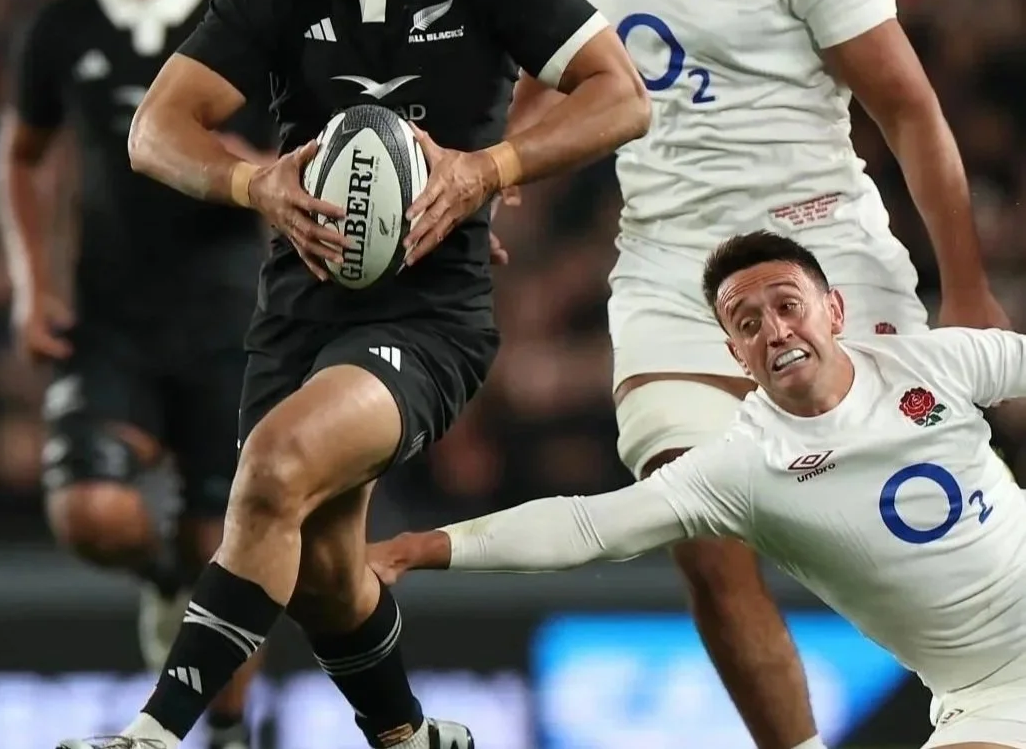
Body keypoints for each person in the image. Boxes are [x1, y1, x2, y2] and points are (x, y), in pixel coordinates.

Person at [56, 0, 649, 749]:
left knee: (275, 469)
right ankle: (410, 737)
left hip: (428, 318)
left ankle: (155, 732)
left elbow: (618, 93)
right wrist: (253, 181)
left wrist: (483, 169)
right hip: (297, 315)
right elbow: (156, 129)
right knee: (327, 571)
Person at [503, 0, 1011, 748]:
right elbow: (536, 111)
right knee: (702, 529)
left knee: (939, 516)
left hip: (820, 262)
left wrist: (963, 284)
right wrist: (482, 186)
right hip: (668, 277)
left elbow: (910, 112)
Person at [371, 230, 1026, 749]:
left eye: (787, 304)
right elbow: (586, 527)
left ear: (832, 310)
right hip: (991, 696)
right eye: (747, 322)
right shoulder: (740, 469)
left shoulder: (932, 361)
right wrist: (412, 548)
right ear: (735, 354)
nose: (774, 330)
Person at [0, 0, 273, 749]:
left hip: (236, 320)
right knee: (92, 512)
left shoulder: (255, 9)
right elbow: (22, 151)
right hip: (110, 317)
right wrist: (33, 284)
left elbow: (318, 138)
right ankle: (161, 580)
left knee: (226, 548)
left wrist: (258, 177)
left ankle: (227, 730)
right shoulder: (64, 26)